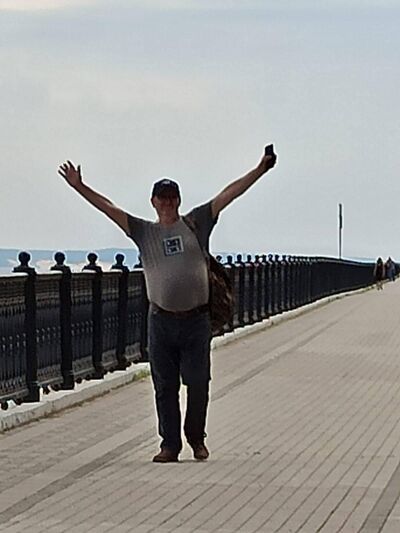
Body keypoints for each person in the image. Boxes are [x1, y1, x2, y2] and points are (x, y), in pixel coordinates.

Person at [58, 147, 277, 463]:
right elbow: (109, 208)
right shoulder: (144, 232)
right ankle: (169, 445)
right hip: (161, 320)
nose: (167, 202)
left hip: (196, 321)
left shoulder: (196, 223)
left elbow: (228, 194)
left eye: (172, 197)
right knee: (164, 385)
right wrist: (79, 186)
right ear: (153, 202)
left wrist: (260, 169)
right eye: (162, 198)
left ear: (179, 200)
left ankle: (196, 438)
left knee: (198, 383)